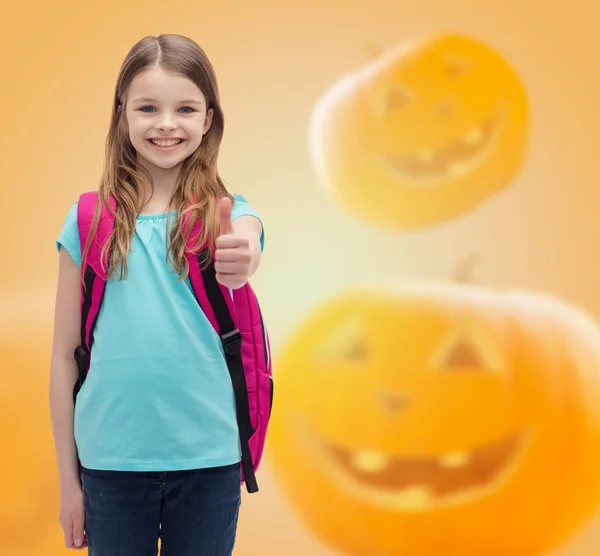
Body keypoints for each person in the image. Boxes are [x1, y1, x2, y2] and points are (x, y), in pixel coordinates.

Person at [49, 33, 265, 556]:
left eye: (185, 108)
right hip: (109, 466)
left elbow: (248, 240)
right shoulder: (86, 221)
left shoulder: (227, 215)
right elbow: (62, 357)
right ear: (122, 114)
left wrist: (243, 255)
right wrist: (68, 482)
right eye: (148, 107)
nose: (166, 123)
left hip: (210, 462)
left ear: (208, 118)